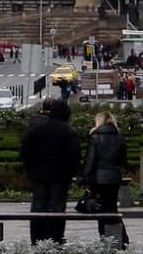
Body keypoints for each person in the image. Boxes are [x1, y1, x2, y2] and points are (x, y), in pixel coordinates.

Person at [19, 99, 80, 244]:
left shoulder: (36, 129)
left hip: (38, 175)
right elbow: (74, 155)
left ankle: (37, 238)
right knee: (57, 208)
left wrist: (30, 170)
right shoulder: (68, 132)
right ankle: (55, 238)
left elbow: (24, 151)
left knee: (38, 207)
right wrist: (72, 174)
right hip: (60, 177)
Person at [80, 111, 129, 244]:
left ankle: (106, 239)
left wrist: (83, 178)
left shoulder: (95, 137)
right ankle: (120, 239)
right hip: (114, 178)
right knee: (112, 208)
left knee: (101, 211)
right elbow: (123, 161)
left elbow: (90, 160)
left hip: (99, 179)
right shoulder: (119, 137)